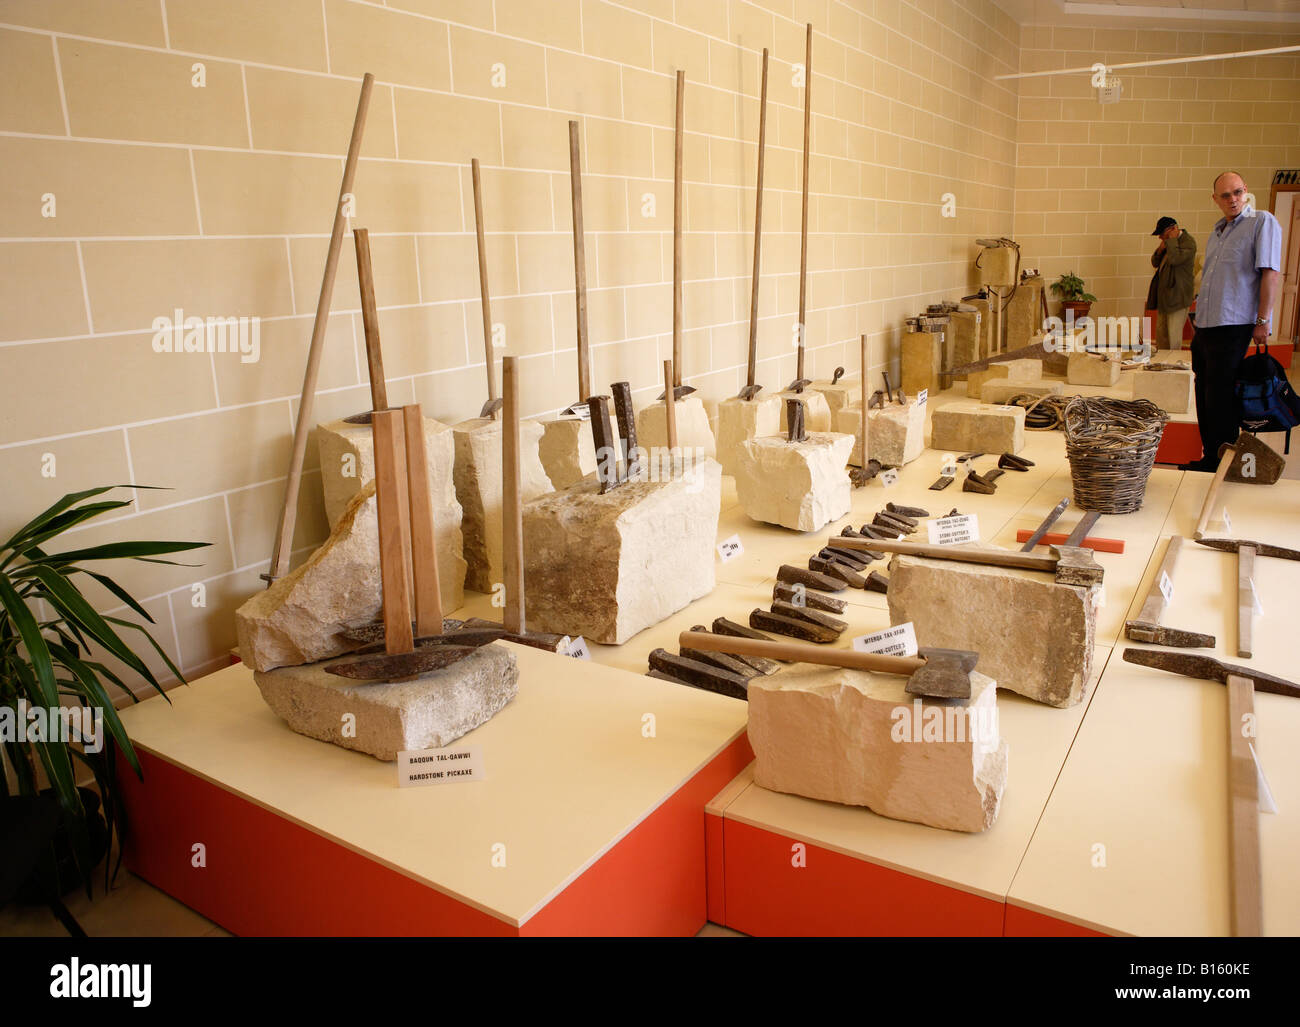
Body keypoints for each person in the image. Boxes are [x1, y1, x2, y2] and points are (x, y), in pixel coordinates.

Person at [1184, 172, 1283, 471]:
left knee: (1221, 395)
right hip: (1206, 325)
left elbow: (1270, 273)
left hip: (1233, 324)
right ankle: (1210, 456)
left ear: (1246, 191)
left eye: (1237, 192)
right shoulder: (1218, 231)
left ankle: (1223, 463)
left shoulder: (1261, 223)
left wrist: (1263, 320)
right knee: (1204, 392)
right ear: (1215, 199)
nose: (1233, 199)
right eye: (1225, 195)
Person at [1148, 216, 1195, 351]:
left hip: (1178, 296)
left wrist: (1172, 240)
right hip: (1164, 296)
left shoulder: (1188, 242)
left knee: (1173, 336)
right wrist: (1160, 249)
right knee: (1161, 334)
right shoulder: (1168, 243)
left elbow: (1176, 260)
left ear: (1174, 229)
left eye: (1163, 234)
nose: (1160, 238)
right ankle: (1162, 363)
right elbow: (1155, 262)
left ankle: (1173, 365)